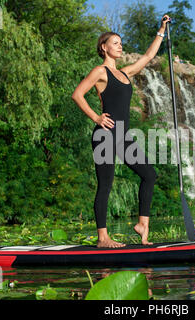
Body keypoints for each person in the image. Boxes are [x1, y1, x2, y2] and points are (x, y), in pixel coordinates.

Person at [72, 15, 172, 248]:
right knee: (105, 184)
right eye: (115, 43)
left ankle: (142, 225)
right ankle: (103, 237)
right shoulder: (100, 72)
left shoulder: (125, 73)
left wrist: (161, 30)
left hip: (123, 137)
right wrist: (96, 117)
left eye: (120, 42)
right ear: (103, 47)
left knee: (149, 174)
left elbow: (147, 57)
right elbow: (77, 95)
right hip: (105, 135)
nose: (120, 46)